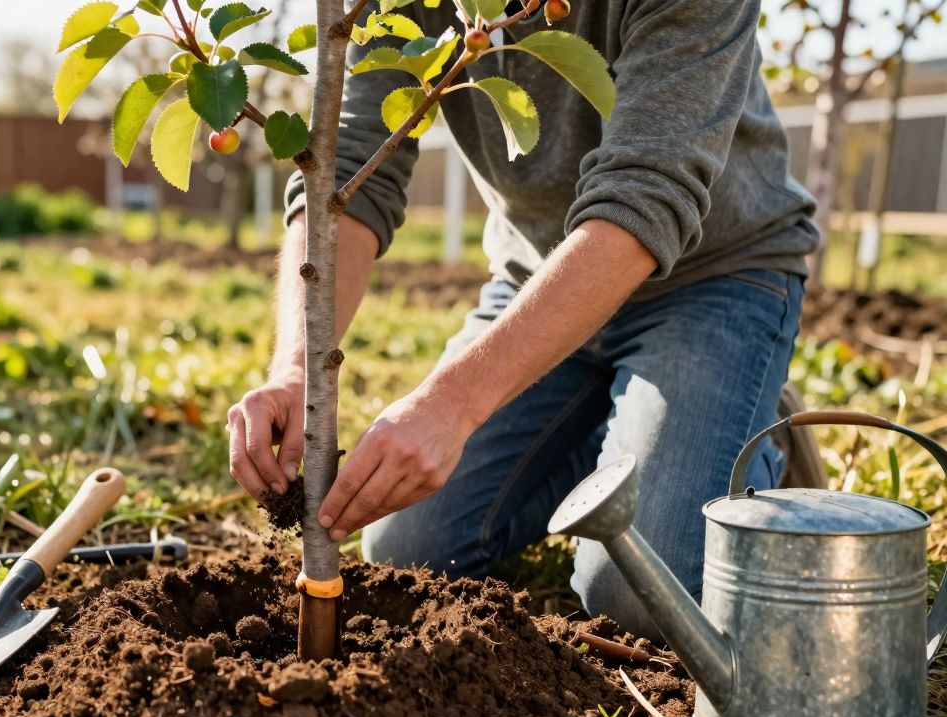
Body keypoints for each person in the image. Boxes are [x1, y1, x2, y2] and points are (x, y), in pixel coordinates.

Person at [226, 0, 817, 639]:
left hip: (714, 278)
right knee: (410, 546)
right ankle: (627, 428)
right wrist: (295, 366)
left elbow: (648, 193)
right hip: (535, 280)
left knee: (640, 590)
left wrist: (454, 404)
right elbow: (347, 175)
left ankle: (752, 437)